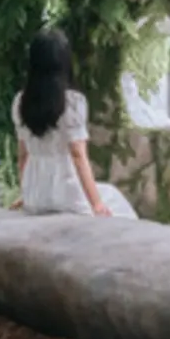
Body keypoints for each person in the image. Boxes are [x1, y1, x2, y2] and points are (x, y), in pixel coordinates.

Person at [12, 28, 137, 218]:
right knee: (114, 199)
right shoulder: (72, 103)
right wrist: (96, 205)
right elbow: (78, 155)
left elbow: (23, 156)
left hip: (35, 195)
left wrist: (26, 194)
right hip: (66, 192)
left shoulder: (20, 102)